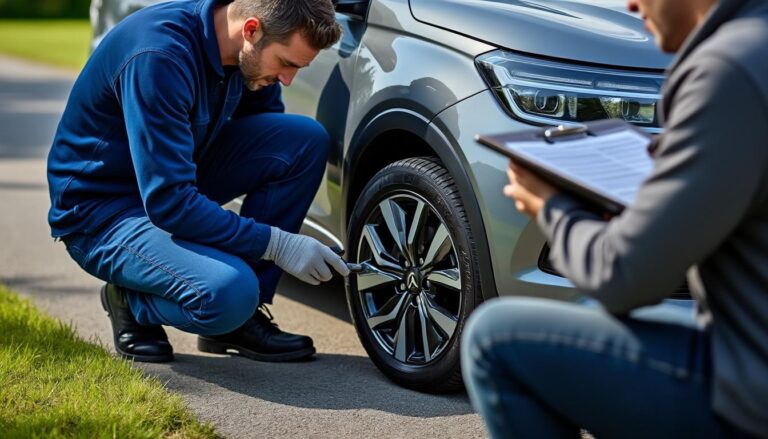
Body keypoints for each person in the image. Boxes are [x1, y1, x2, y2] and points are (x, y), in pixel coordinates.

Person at [461, 0, 768, 437]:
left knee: (492, 338)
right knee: (589, 313)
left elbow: (623, 277)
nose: (629, 3)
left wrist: (553, 207)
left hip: (751, 394)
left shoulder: (728, 69)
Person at [47, 0, 350, 364]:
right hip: (103, 212)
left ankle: (240, 320)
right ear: (251, 29)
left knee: (302, 141)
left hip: (172, 176)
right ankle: (130, 300)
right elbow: (170, 203)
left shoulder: (245, 53)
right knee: (229, 293)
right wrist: (277, 244)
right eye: (286, 63)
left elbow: (269, 142)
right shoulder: (159, 55)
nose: (288, 79)